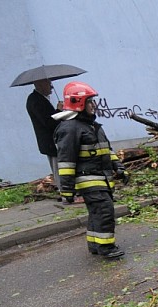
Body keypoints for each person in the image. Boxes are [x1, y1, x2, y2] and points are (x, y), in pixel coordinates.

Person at [53, 81, 129, 259]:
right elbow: (65, 162)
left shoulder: (92, 126)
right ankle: (107, 247)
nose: (93, 105)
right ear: (79, 103)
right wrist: (67, 191)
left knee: (96, 212)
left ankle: (95, 244)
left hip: (101, 178)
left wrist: (119, 168)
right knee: (104, 211)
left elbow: (106, 151)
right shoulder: (70, 128)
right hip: (89, 180)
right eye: (89, 102)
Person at [26, 79, 62, 192]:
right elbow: (48, 122)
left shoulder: (39, 99)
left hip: (52, 140)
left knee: (60, 167)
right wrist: (59, 111)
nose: (51, 87)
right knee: (58, 168)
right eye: (48, 83)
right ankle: (65, 193)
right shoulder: (35, 100)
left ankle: (66, 192)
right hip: (50, 141)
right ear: (39, 84)